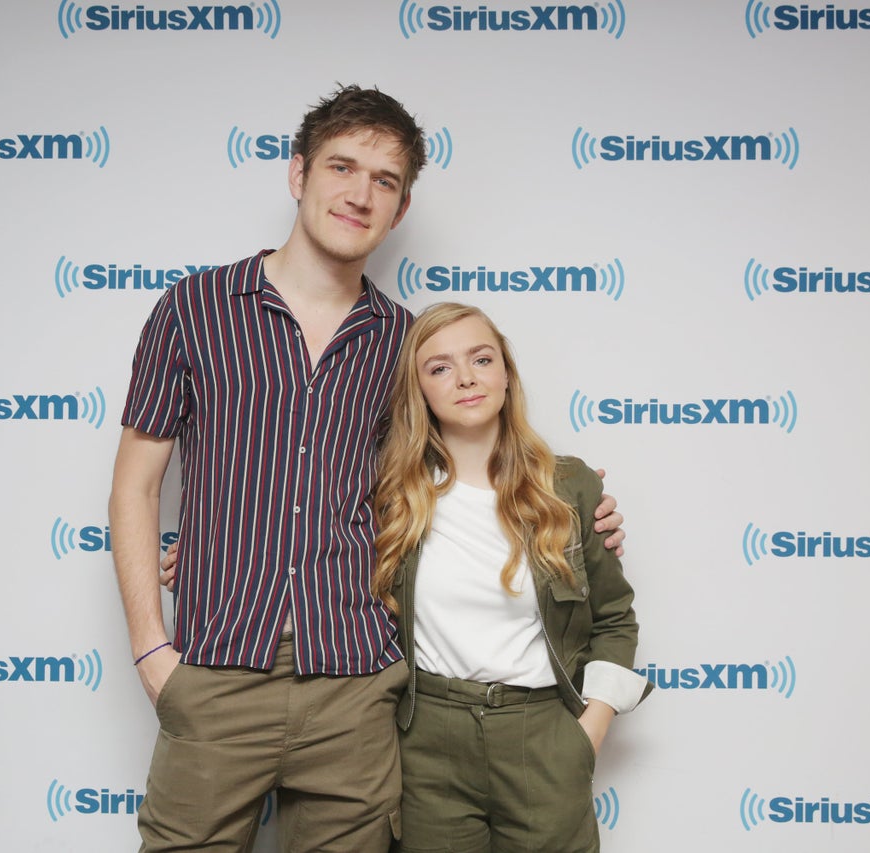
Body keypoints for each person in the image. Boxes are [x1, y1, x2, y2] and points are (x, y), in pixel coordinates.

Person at [110, 85, 626, 853]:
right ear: (298, 174)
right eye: (342, 167)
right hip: (217, 671)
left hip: (357, 686)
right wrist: (154, 651)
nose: (359, 194)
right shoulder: (193, 309)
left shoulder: (406, 343)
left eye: (384, 181)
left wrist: (573, 509)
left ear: (402, 207)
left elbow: (464, 472)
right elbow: (136, 483)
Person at [372, 302, 651, 853]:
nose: (467, 378)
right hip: (428, 736)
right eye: (440, 367)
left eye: (481, 358)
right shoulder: (392, 495)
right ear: (419, 390)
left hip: (542, 732)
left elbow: (615, 620)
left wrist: (585, 735)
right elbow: (302, 541)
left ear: (506, 374)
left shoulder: (568, 487)